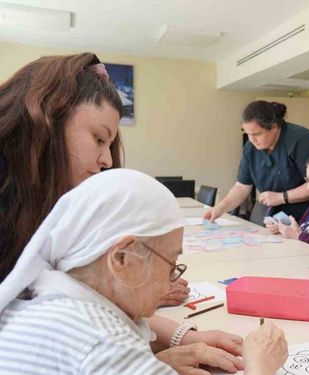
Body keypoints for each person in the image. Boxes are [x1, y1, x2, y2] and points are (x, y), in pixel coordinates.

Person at [0, 53, 245, 365]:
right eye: (98, 139)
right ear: (46, 120)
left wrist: (180, 335)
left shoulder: (40, 203)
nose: (107, 160)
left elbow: (92, 302)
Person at [0, 169, 288, 374]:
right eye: (171, 264)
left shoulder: (46, 297)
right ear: (122, 259)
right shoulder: (103, 344)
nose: (172, 280)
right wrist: (261, 364)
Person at [204, 101, 309, 223]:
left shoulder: (301, 140)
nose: (252, 139)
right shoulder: (250, 147)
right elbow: (242, 186)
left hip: (305, 217)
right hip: (275, 218)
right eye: (248, 134)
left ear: (274, 127)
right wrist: (219, 209)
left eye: (257, 134)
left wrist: (282, 197)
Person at [265, 152, 309, 245]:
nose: (308, 187)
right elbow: (304, 230)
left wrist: (297, 235)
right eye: (307, 180)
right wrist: (285, 228)